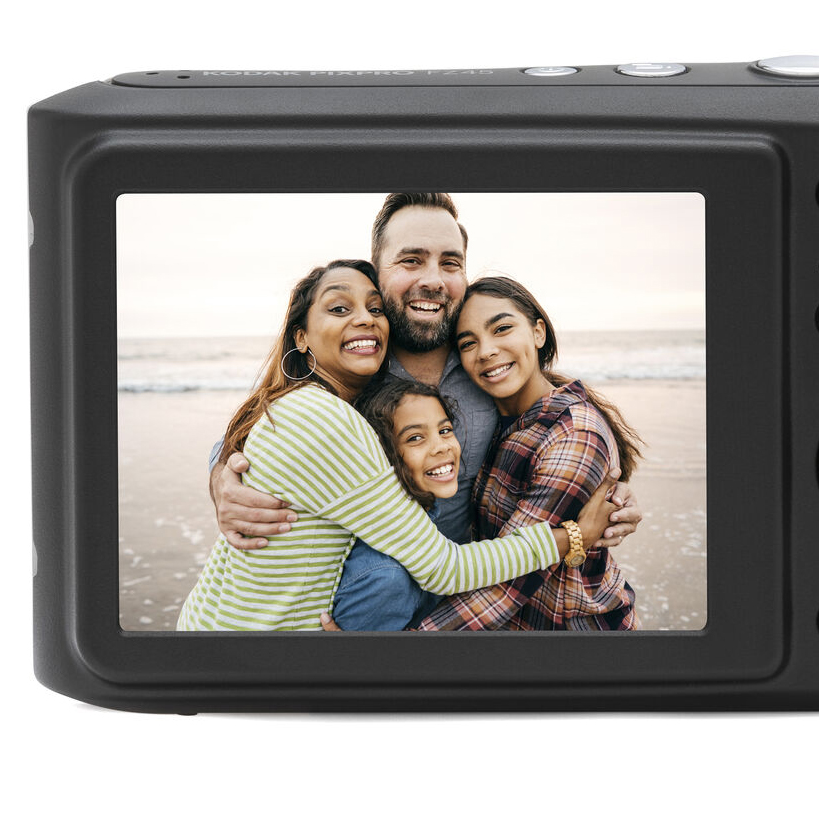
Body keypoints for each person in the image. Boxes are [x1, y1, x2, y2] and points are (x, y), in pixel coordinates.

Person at [178, 259, 619, 631]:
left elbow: (531, 394)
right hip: (246, 647)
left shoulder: (330, 399)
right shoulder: (325, 417)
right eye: (339, 308)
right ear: (301, 337)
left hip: (231, 627)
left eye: (374, 309)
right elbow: (444, 568)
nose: (365, 319)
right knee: (388, 575)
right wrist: (574, 537)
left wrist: (598, 463)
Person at [210, 193, 642, 558]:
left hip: (471, 588)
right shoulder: (354, 363)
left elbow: (549, 418)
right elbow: (263, 424)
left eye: (450, 263)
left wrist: (609, 485)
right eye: (411, 260)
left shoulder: (482, 358)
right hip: (370, 595)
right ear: (376, 270)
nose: (433, 280)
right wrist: (221, 480)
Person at [414, 277, 642, 630]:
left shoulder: (574, 434)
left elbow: (509, 583)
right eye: (468, 343)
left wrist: (402, 645)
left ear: (538, 332)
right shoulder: (484, 417)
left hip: (569, 632)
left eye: (502, 329)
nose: (486, 351)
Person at [330, 378, 460, 630]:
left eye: (445, 430)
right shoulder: (386, 578)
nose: (441, 447)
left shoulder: (422, 528)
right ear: (382, 456)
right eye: (415, 438)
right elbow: (356, 656)